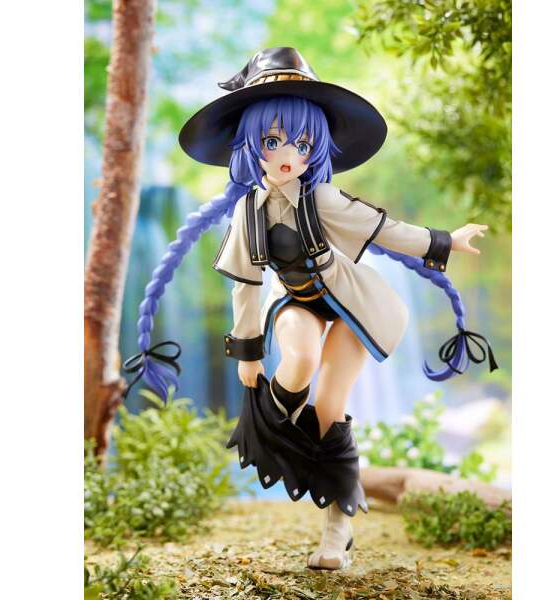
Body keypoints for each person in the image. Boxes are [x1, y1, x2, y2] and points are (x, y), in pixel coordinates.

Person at [123, 47, 497, 570]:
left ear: (314, 150)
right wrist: (247, 354)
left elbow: (386, 230)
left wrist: (444, 241)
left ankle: (338, 527)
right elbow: (245, 284)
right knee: (297, 360)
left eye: (301, 144)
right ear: (250, 145)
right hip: (295, 301)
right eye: (272, 141)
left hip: (353, 305)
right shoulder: (248, 211)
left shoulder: (323, 199)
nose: (286, 154)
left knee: (329, 408)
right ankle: (279, 426)